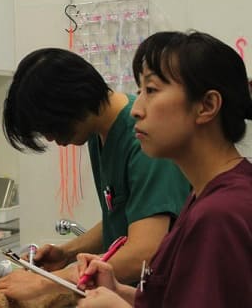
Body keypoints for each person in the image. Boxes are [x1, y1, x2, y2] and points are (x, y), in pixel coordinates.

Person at [0, 47, 190, 299]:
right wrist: (67, 253)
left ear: (71, 99)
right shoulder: (98, 135)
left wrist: (49, 283)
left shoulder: (142, 138)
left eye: (50, 126)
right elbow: (120, 221)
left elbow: (146, 250)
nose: (52, 138)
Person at [76, 30, 252, 307]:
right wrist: (120, 292)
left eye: (151, 90)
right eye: (139, 91)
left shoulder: (220, 214)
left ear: (207, 106)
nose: (136, 109)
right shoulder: (203, 196)